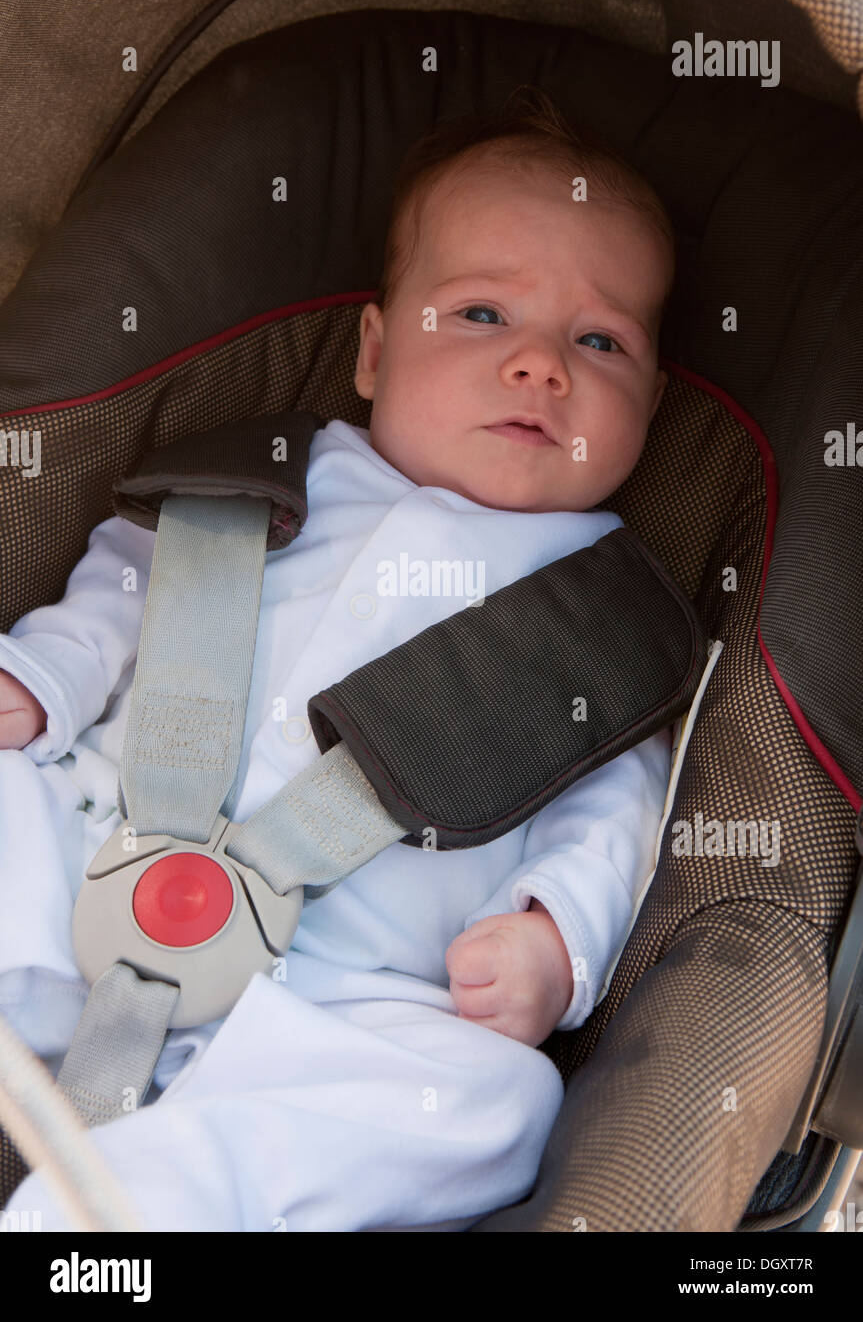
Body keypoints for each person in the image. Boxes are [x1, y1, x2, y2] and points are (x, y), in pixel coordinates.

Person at [0, 86, 676, 1231]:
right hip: (81, 874)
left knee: (500, 1102)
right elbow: (128, 575)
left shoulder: (603, 617)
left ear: (650, 406)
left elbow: (617, 807)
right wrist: (46, 675)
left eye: (597, 340)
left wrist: (555, 935)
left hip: (334, 1004)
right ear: (370, 350)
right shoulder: (262, 486)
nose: (537, 367)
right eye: (478, 316)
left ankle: (151, 1203)